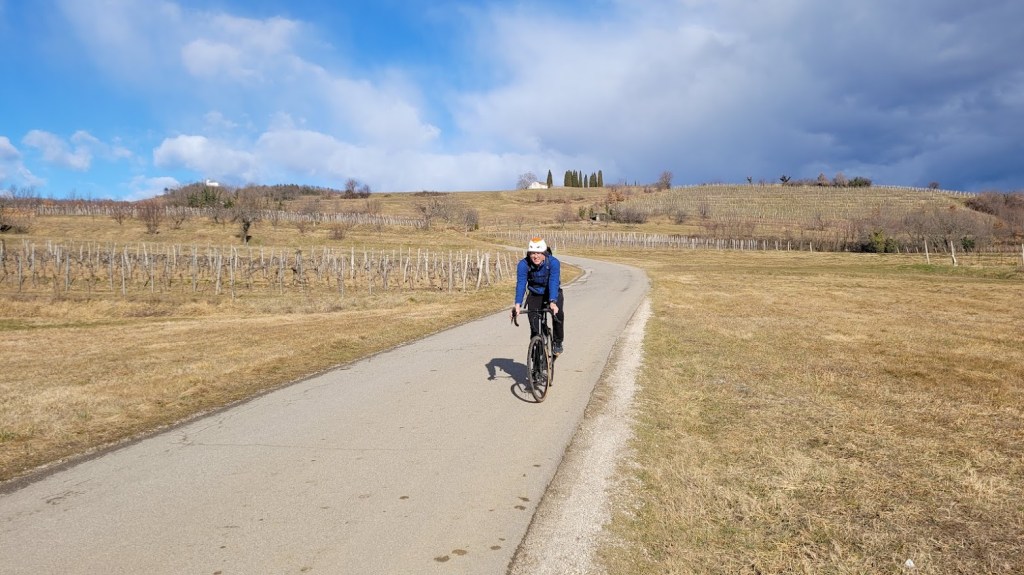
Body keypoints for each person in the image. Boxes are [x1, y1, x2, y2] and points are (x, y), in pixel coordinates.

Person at [512, 237, 564, 355]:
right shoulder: (523, 264)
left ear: (544, 253)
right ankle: (536, 349)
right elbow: (521, 284)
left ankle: (557, 342)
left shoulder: (553, 263)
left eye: (538, 253)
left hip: (552, 292)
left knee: (558, 315)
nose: (535, 256)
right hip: (535, 293)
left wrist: (552, 302)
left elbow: (554, 282)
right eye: (532, 253)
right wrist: (517, 305)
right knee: (534, 324)